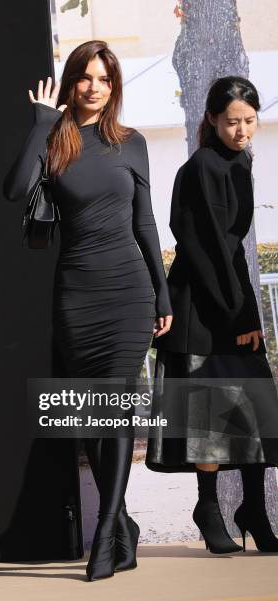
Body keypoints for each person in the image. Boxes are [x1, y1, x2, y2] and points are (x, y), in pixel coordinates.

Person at [4, 40, 172, 581]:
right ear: (71, 82)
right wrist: (39, 123)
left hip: (129, 292)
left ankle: (105, 533)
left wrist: (162, 292)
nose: (94, 87)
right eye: (84, 77)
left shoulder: (131, 143)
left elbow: (145, 222)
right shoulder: (53, 140)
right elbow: (13, 191)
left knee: (116, 411)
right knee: (91, 419)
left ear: (112, 86)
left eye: (103, 78)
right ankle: (123, 526)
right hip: (77, 294)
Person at [146, 76, 278, 554]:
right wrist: (240, 316)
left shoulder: (240, 161)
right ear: (212, 120)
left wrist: (244, 313)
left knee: (255, 409)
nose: (242, 131)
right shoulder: (202, 165)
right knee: (211, 414)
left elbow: (233, 249)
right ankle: (208, 507)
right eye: (231, 122)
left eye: (249, 121)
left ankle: (254, 510)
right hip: (202, 306)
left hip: (229, 297)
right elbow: (204, 250)